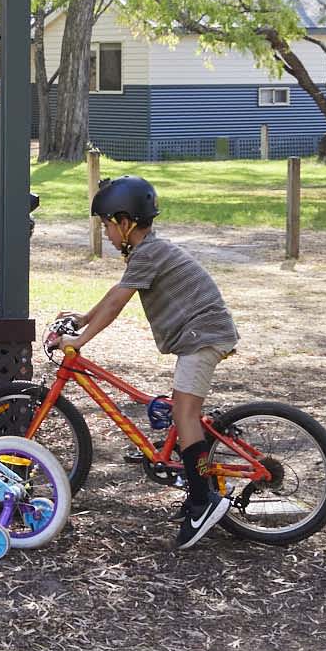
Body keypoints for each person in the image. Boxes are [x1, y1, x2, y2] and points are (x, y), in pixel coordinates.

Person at [55, 174, 241, 549]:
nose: (106, 233)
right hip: (199, 334)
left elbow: (117, 304)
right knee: (183, 412)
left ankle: (203, 501)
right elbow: (115, 293)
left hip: (202, 335)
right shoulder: (146, 253)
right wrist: (83, 317)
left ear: (126, 222)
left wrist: (80, 339)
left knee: (185, 414)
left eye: (107, 224)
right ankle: (198, 492)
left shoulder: (150, 252)